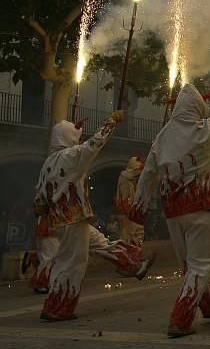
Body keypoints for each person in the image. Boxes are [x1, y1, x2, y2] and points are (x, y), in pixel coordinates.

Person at [131, 74, 210, 337]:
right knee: (200, 264)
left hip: (172, 213)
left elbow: (148, 174)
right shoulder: (204, 130)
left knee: (190, 264)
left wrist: (138, 209)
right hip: (198, 209)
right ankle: (180, 319)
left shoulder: (161, 137)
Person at [36, 114, 155, 321]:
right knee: (72, 263)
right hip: (73, 219)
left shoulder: (48, 163)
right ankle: (57, 307)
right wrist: (111, 123)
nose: (78, 139)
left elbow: (40, 198)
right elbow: (94, 144)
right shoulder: (70, 156)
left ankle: (134, 265)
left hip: (62, 220)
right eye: (75, 136)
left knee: (101, 243)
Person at [113, 157, 145, 246]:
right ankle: (130, 256)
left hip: (126, 210)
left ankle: (131, 255)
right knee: (130, 233)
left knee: (130, 233)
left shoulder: (127, 177)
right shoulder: (126, 176)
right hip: (127, 211)